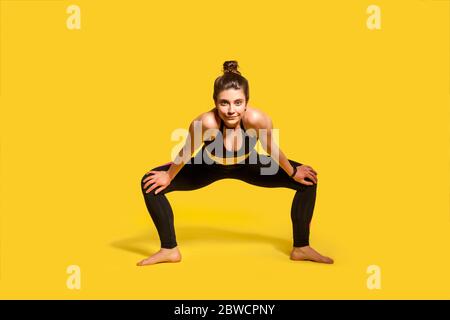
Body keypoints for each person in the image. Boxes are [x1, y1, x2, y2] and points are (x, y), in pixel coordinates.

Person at [138, 60, 333, 266]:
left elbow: (270, 148)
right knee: (149, 183)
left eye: (238, 102)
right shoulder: (206, 123)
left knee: (308, 179)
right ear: (215, 101)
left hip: (249, 166)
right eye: (224, 103)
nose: (231, 110)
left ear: (247, 101)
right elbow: (187, 150)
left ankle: (301, 248)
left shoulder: (257, 120)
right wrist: (168, 175)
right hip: (207, 167)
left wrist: (293, 173)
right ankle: (169, 249)